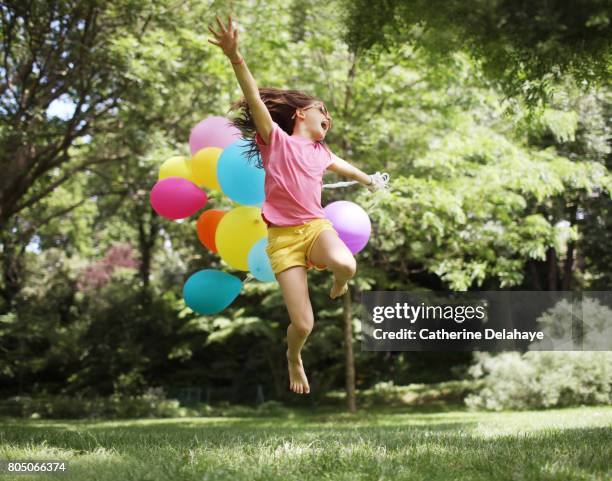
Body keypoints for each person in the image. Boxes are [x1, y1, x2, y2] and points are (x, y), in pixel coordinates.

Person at [208, 15, 388, 395]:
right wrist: (235, 56)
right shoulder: (275, 139)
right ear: (300, 114)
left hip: (315, 227)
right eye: (323, 111)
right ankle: (294, 357)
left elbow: (347, 168)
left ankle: (337, 281)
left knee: (347, 264)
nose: (329, 117)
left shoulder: (323, 152)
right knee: (303, 324)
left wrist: (370, 180)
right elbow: (255, 98)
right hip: (282, 240)